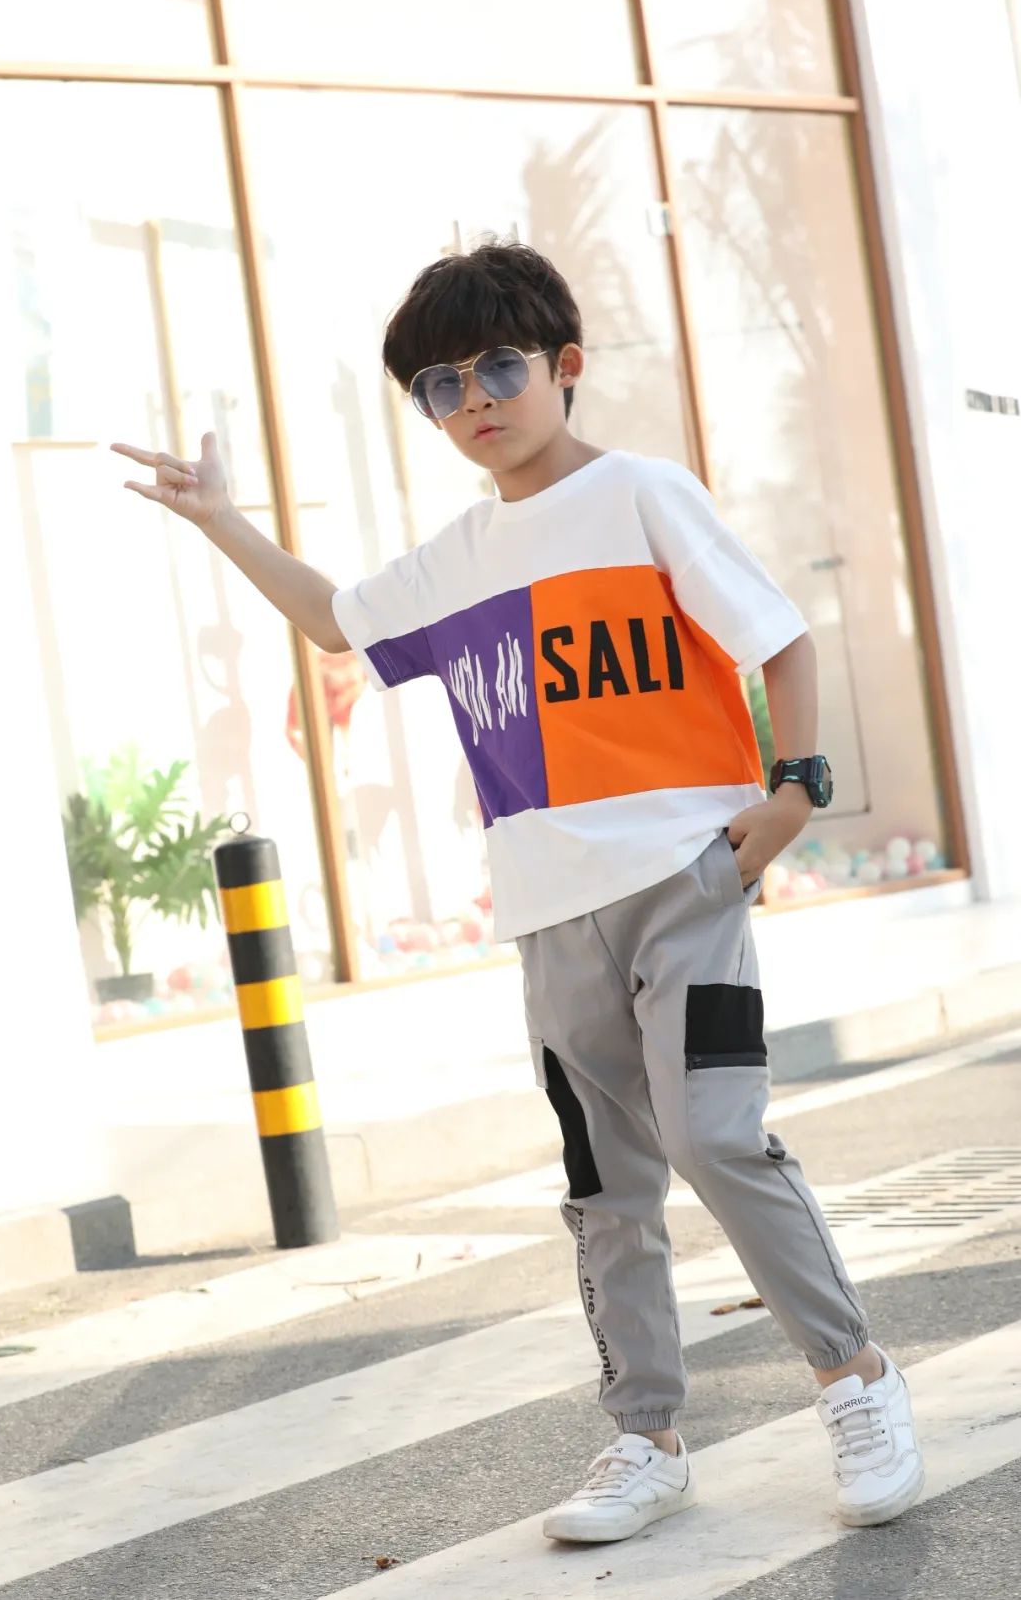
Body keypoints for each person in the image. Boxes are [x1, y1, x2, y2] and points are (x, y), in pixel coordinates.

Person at [111, 240, 923, 1544]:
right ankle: (647, 1438)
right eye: (441, 385)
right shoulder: (460, 555)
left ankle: (857, 1379)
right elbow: (335, 621)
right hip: (550, 913)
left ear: (564, 365)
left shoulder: (643, 495)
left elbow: (780, 636)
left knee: (716, 1138)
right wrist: (221, 520)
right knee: (606, 1185)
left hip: (685, 879)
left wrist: (791, 796)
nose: (475, 399)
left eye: (498, 366)